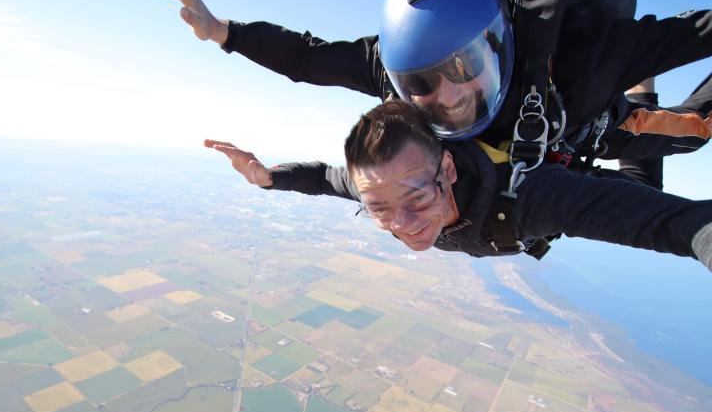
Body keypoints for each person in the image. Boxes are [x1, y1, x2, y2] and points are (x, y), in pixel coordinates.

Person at [138, 0, 711, 187]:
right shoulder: (394, 73)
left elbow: (697, 32)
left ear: (498, 44)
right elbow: (309, 60)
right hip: (555, 137)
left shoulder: (584, 54)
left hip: (589, 116)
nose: (448, 95)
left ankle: (640, 90)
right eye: (421, 83)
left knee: (695, 133)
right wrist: (222, 31)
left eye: (462, 70)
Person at [203, 100, 712, 272]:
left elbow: (673, 225)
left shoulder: (530, 205)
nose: (401, 224)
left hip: (582, 159)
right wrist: (269, 179)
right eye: (377, 207)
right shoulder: (383, 188)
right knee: (646, 172)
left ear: (447, 169)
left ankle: (646, 97)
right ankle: (644, 90)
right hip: (588, 166)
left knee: (690, 138)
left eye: (417, 199)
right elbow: (323, 178)